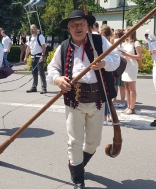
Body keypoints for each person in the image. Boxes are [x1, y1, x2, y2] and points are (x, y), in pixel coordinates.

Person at [47, 10, 119, 189]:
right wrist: (57, 79)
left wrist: (104, 63)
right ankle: (78, 179)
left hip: (98, 99)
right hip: (74, 100)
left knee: (94, 142)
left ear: (87, 26)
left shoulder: (99, 41)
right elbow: (52, 68)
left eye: (81, 24)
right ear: (69, 29)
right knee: (75, 142)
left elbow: (116, 59)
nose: (78, 27)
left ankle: (75, 164)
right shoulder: (63, 46)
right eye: (74, 25)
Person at [120, 27, 142, 115]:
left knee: (131, 87)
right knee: (126, 86)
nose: (125, 33)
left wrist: (127, 54)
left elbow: (139, 56)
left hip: (132, 65)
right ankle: (128, 106)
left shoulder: (136, 43)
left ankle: (132, 108)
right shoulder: (124, 43)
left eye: (127, 32)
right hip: (125, 65)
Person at [24, 25, 47, 94]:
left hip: (39, 56)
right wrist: (26, 57)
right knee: (34, 72)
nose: (32, 30)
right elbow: (28, 48)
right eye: (31, 29)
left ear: (36, 29)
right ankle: (34, 87)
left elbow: (44, 47)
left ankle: (44, 88)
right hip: (33, 57)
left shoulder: (40, 37)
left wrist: (42, 56)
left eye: (34, 29)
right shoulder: (30, 37)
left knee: (41, 72)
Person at [100, 24, 113, 124]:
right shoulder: (111, 42)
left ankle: (105, 116)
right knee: (108, 94)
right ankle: (108, 115)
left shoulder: (103, 42)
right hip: (109, 68)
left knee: (104, 94)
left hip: (105, 69)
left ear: (103, 33)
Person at [113, 29, 126, 108]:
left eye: (114, 34)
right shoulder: (121, 42)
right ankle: (119, 100)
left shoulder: (119, 42)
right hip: (118, 64)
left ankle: (120, 101)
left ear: (117, 35)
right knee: (117, 84)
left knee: (119, 85)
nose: (113, 35)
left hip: (119, 64)